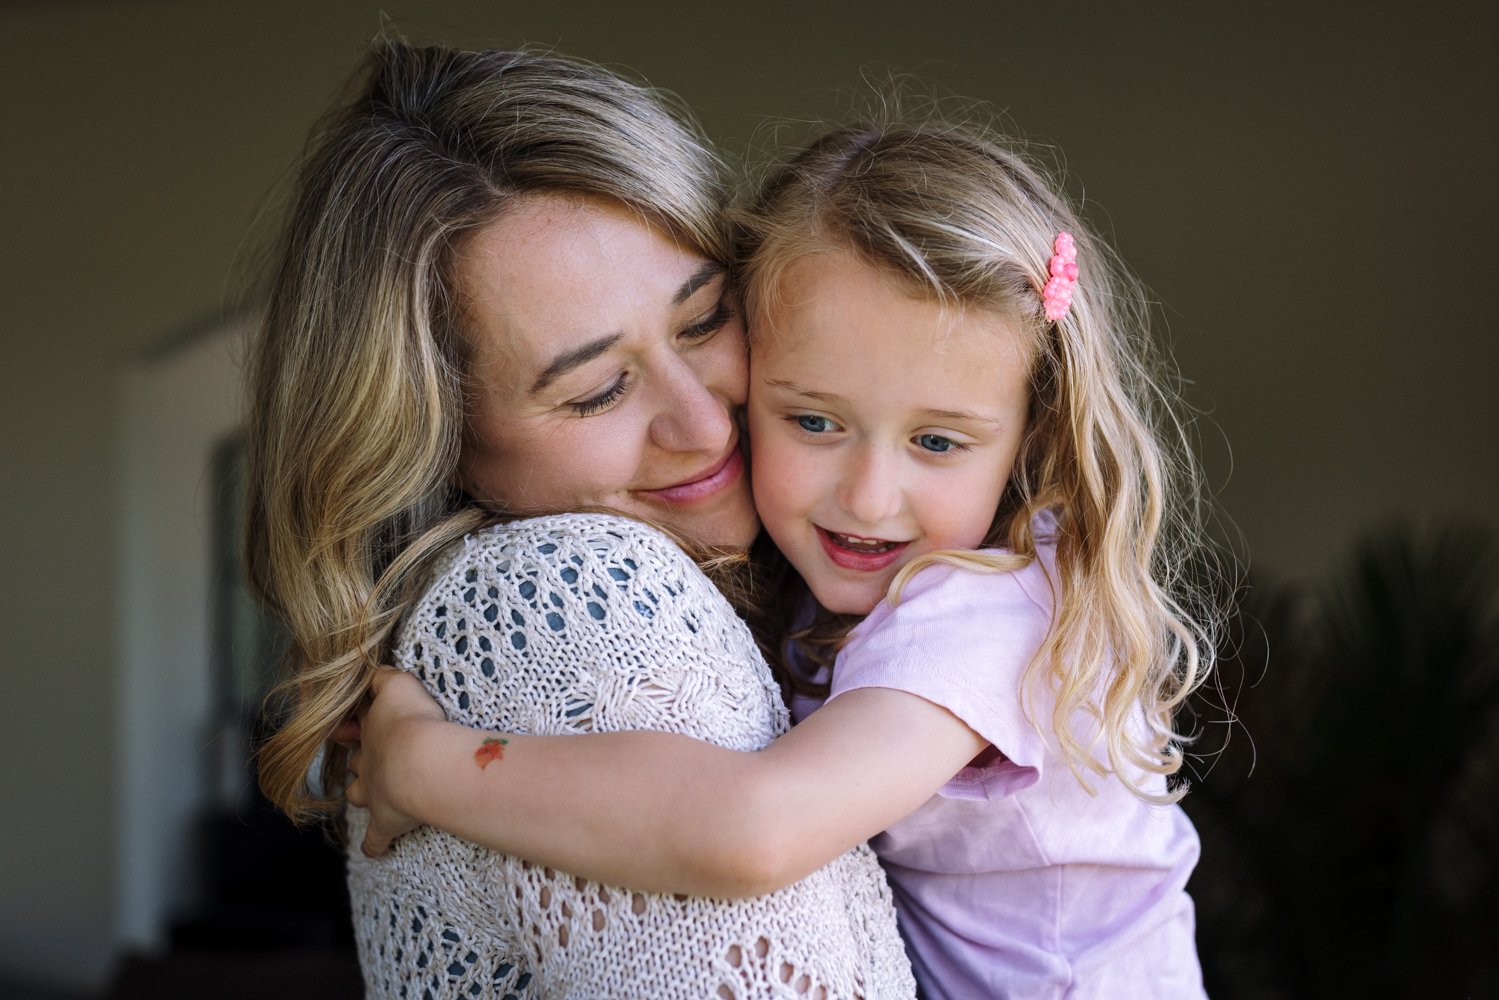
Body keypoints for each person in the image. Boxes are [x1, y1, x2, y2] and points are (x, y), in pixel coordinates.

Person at [349, 117, 1223, 998]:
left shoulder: (989, 613)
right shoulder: (823, 579)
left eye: (937, 442)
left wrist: (427, 766)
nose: (868, 497)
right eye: (812, 421)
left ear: (1030, 436)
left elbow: (754, 829)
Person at [246, 41, 916, 999]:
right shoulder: (561, 598)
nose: (701, 420)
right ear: (437, 439)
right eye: (597, 390)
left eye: (704, 321)